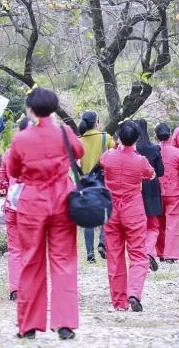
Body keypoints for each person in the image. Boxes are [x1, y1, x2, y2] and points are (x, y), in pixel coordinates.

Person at [3, 88, 83, 340]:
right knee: (63, 262)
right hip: (61, 201)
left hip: (32, 205)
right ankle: (65, 324)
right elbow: (79, 152)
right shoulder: (64, 132)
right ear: (54, 108)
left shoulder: (21, 139)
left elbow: (13, 169)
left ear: (30, 109)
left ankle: (28, 326)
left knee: (31, 263)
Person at [101, 120, 156, 312]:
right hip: (133, 211)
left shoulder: (107, 157)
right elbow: (151, 174)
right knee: (138, 254)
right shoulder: (140, 160)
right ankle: (134, 293)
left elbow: (104, 164)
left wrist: (118, 145)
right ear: (137, 140)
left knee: (114, 256)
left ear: (117, 138)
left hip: (111, 212)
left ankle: (119, 302)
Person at [0, 116, 30, 301]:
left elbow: (2, 180)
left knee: (14, 248)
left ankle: (15, 289)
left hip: (11, 205)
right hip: (30, 207)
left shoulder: (9, 153)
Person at [77, 110, 114, 262]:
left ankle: (90, 254)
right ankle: (102, 243)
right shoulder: (106, 138)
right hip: (103, 182)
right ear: (96, 122)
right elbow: (115, 156)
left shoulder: (78, 141)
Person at [154, 122, 179, 263]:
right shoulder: (177, 152)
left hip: (156, 193)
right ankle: (171, 255)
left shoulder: (154, 151)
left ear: (156, 136)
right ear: (170, 134)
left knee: (158, 224)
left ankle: (160, 253)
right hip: (173, 192)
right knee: (172, 224)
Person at [134, 118, 165, 272]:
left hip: (135, 188)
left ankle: (140, 253)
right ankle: (148, 251)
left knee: (138, 223)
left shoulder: (133, 149)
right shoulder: (154, 149)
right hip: (152, 188)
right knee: (153, 224)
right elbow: (160, 171)